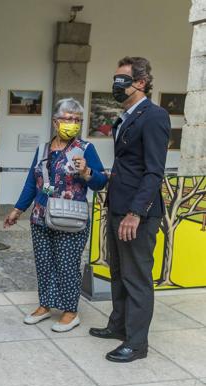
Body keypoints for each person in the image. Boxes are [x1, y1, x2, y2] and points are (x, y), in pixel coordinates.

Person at [89, 57, 170, 363]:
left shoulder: (154, 116)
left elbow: (153, 171)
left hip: (138, 213)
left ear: (141, 82)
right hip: (117, 206)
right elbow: (130, 163)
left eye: (121, 78)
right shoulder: (126, 116)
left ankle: (136, 344)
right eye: (115, 78)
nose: (116, 84)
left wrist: (136, 212)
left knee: (137, 278)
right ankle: (118, 326)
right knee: (118, 273)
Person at [4, 98, 107, 332]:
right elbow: (34, 182)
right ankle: (46, 305)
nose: (73, 123)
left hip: (71, 218)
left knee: (67, 264)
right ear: (55, 121)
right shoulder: (43, 149)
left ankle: (71, 312)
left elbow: (101, 182)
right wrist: (18, 209)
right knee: (44, 263)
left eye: (77, 120)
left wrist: (87, 172)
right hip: (41, 216)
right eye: (68, 118)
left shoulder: (85, 149)